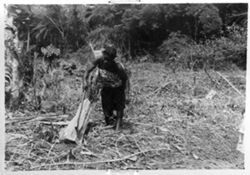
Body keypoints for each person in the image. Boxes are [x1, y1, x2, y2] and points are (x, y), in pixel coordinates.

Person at [83, 44, 130, 131]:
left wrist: (126, 94)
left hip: (118, 87)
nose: (107, 61)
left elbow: (126, 80)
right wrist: (85, 81)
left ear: (113, 59)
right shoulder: (99, 60)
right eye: (106, 58)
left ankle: (118, 126)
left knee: (119, 106)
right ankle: (110, 122)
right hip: (106, 87)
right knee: (107, 108)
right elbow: (87, 71)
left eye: (109, 60)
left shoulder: (118, 67)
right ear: (104, 55)